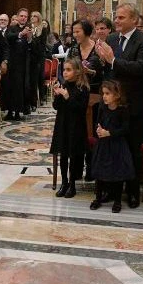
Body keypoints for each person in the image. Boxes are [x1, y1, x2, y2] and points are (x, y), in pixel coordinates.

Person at [95, 3, 143, 209]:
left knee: (132, 151)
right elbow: (109, 72)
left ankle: (132, 192)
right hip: (113, 107)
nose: (116, 21)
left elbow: (141, 69)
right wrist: (103, 61)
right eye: (116, 17)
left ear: (134, 20)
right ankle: (112, 191)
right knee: (111, 149)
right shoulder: (112, 39)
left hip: (134, 107)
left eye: (121, 17)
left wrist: (112, 60)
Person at [90, 80, 134, 213]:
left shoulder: (123, 110)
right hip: (103, 144)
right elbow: (98, 123)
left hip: (117, 145)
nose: (104, 96)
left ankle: (117, 201)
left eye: (107, 93)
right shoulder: (102, 108)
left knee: (117, 172)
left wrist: (109, 133)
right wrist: (98, 130)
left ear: (117, 95)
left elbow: (125, 129)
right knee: (100, 171)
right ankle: (97, 198)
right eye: (103, 93)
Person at [51, 58, 90, 198]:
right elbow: (56, 107)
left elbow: (80, 108)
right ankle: (64, 183)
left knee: (73, 156)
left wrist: (67, 97)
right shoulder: (64, 85)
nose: (65, 73)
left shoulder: (83, 88)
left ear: (77, 71)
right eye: (64, 70)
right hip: (62, 124)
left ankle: (72, 184)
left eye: (68, 70)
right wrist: (57, 96)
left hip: (76, 126)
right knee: (63, 154)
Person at [3, 8, 31, 120]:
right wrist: (20, 34)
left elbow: (32, 46)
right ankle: (10, 111)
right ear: (18, 16)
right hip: (12, 63)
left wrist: (30, 39)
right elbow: (8, 37)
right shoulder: (11, 28)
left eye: (25, 16)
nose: (23, 18)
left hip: (23, 64)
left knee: (20, 88)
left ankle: (18, 112)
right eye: (21, 16)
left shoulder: (29, 29)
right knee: (10, 87)